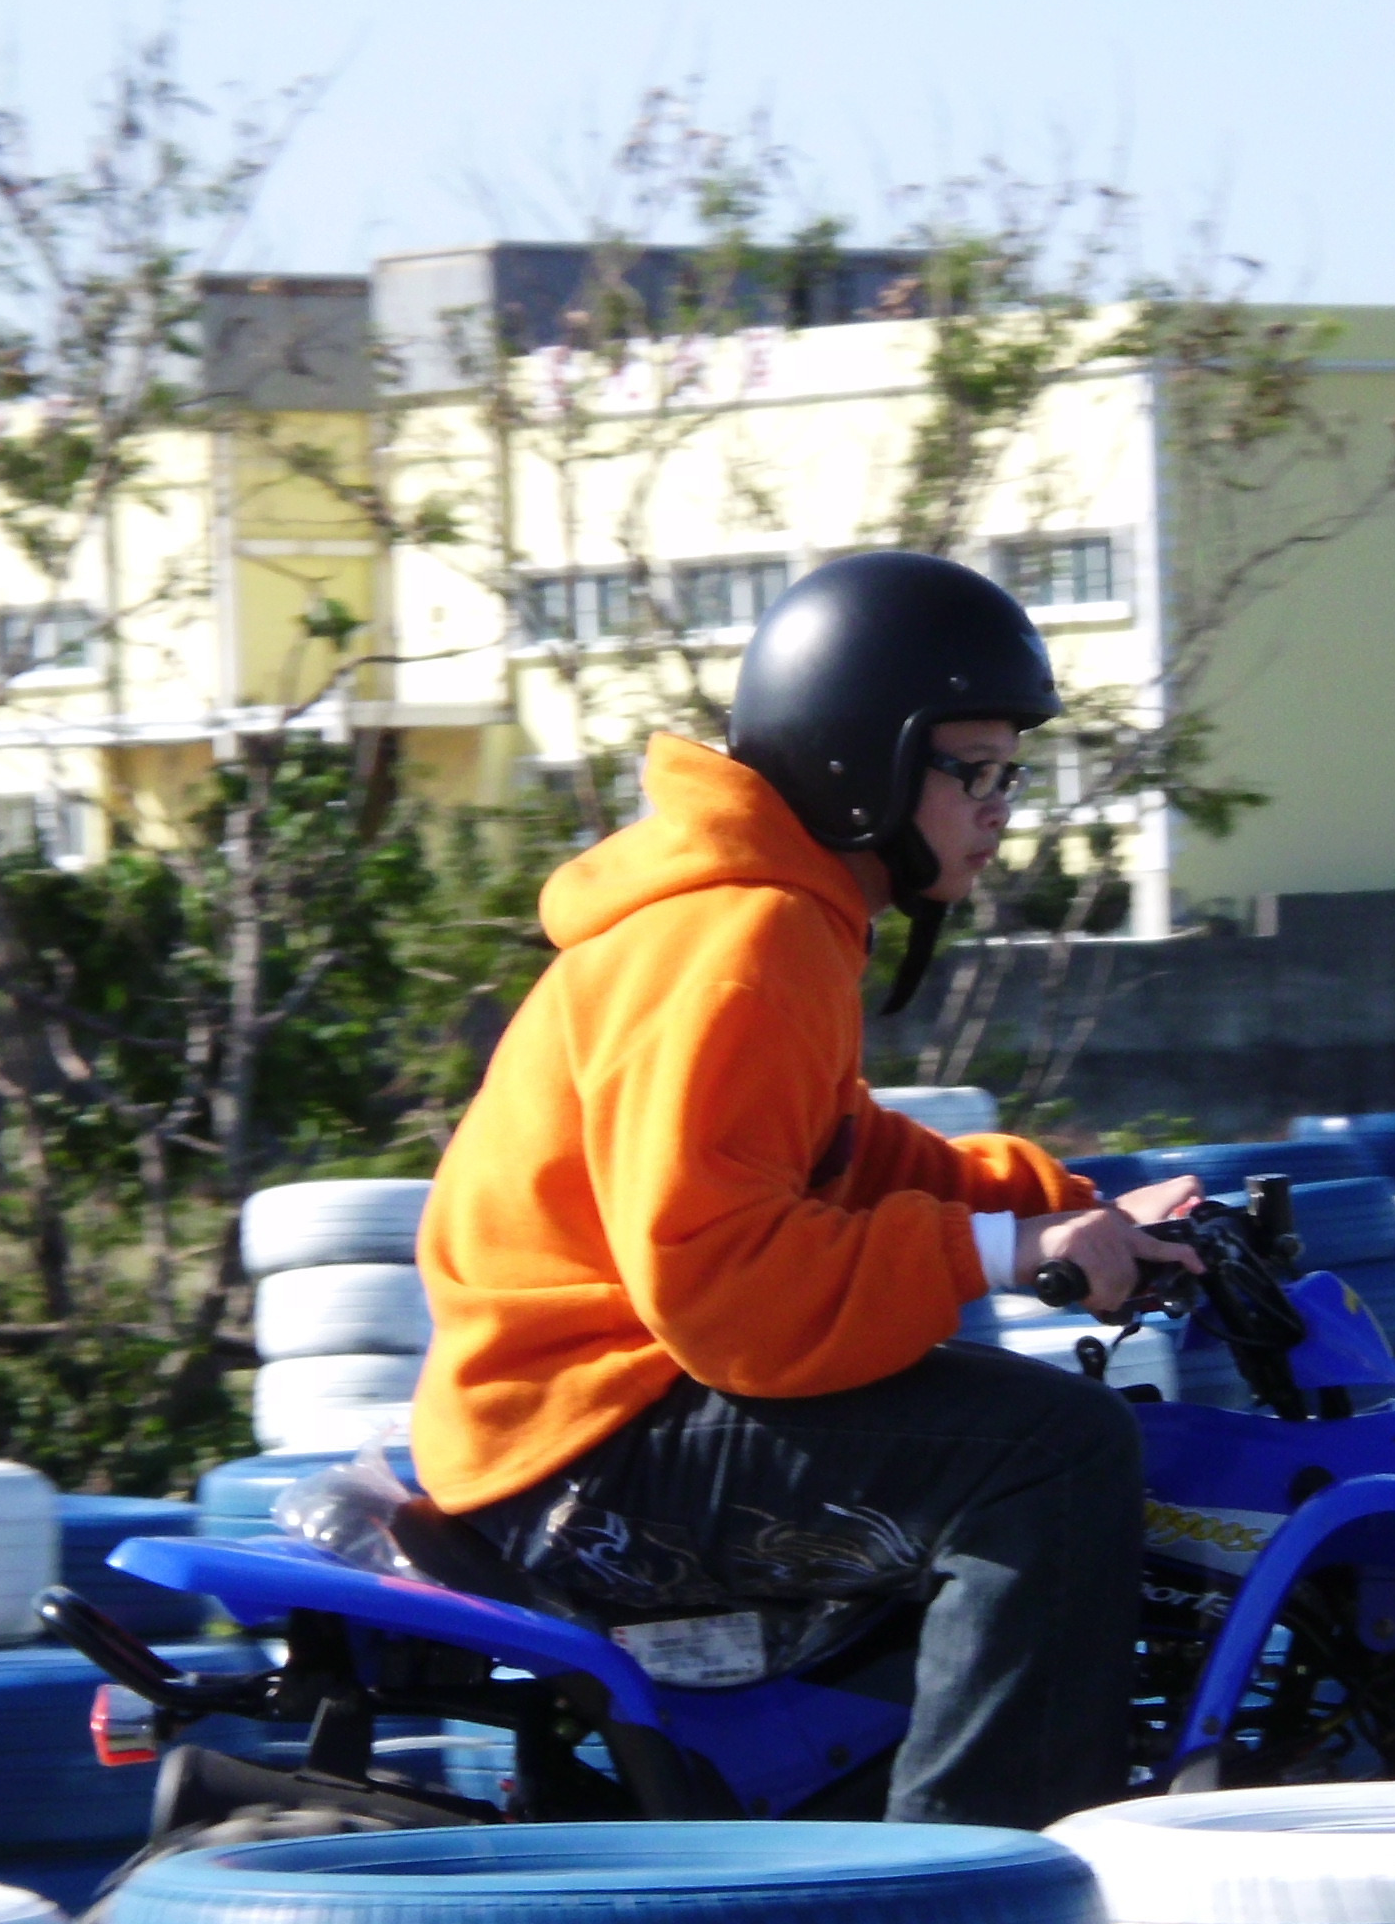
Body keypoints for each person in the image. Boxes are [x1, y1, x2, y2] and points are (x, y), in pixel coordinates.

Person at [410, 551, 1200, 1827]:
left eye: (1011, 775)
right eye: (973, 772)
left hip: (603, 1410)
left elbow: (840, 1154)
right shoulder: (746, 940)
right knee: (1053, 1454)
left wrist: (1069, 1205)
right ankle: (969, 1892)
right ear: (862, 763)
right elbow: (722, 1283)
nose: (1000, 808)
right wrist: (1004, 1254)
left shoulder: (775, 917)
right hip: (582, 1445)